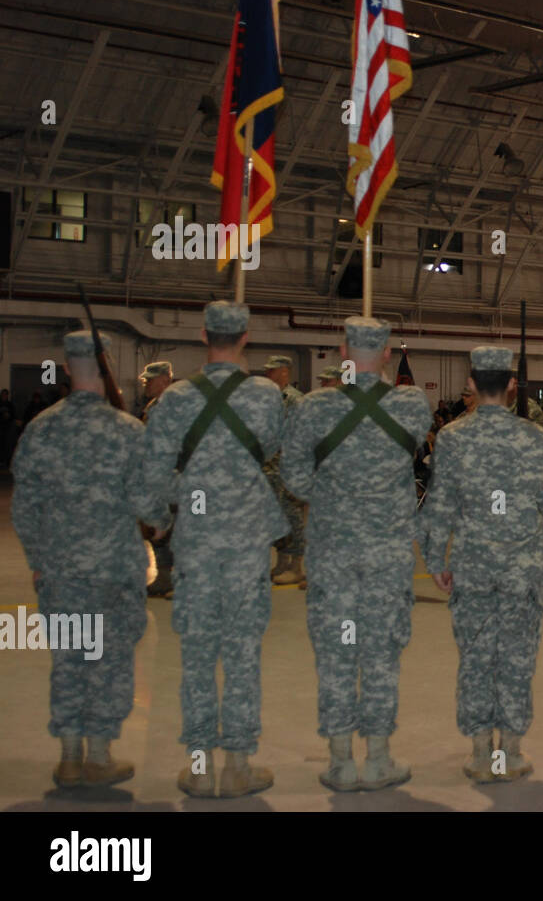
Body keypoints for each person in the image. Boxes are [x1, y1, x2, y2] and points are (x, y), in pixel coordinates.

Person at [141, 301, 287, 798]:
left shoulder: (175, 401)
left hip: (197, 541)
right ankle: (239, 767)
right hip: (246, 541)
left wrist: (162, 522)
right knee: (243, 653)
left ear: (204, 335)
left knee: (198, 656)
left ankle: (200, 767)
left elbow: (150, 477)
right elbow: (270, 451)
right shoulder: (267, 395)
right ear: (246, 338)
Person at [11, 332, 169, 789]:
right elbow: (147, 499)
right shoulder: (127, 430)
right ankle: (98, 756)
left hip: (60, 570)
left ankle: (67, 756)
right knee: (108, 659)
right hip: (115, 571)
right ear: (105, 369)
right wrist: (159, 523)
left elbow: (26, 506)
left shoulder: (41, 428)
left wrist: (38, 557)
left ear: (66, 369)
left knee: (69, 659)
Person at [281, 317, 431, 791]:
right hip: (387, 553)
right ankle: (380, 757)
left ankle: (341, 760)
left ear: (342, 351)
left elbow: (292, 474)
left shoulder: (314, 407)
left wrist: (329, 499)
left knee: (337, 651)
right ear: (387, 354)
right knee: (382, 652)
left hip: (332, 552)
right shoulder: (412, 405)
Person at [420, 346, 543, 783]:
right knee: (517, 657)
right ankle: (512, 752)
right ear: (513, 386)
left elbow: (437, 507)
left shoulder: (452, 438)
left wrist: (434, 560)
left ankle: (481, 753)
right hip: (522, 570)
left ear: (474, 386)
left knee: (476, 657)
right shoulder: (536, 438)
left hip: (472, 567)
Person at [262, 354, 307, 586]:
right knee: (275, 519)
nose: (268, 374)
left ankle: (296, 566)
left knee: (293, 517)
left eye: (273, 370)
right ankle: (281, 561)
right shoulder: (266, 398)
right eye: (268, 371)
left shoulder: (295, 400)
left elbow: (302, 438)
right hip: (268, 469)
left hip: (288, 469)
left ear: (284, 372)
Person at [136, 361, 176, 597]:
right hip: (157, 476)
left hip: (172, 476)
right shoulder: (154, 405)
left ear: (164, 380)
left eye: (150, 380)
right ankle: (164, 577)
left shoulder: (174, 406)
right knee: (158, 529)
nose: (146, 384)